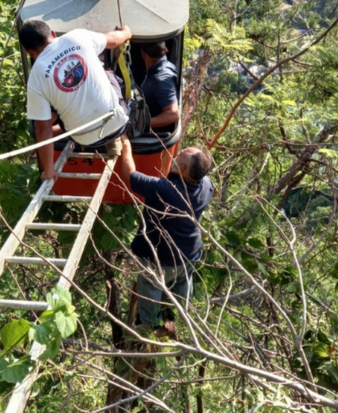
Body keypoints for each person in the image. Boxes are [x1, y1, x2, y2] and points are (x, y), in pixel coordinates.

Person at [119, 136, 214, 329]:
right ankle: (178, 316)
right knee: (182, 286)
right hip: (190, 253)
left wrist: (126, 144)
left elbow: (130, 174)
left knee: (151, 290)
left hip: (160, 258)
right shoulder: (206, 185)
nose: (176, 155)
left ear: (182, 169)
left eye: (180, 156)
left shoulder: (165, 189)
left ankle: (149, 328)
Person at [19, 20, 133, 180]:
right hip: (117, 124)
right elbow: (113, 40)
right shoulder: (76, 37)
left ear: (29, 52)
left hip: (83, 138)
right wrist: (127, 33)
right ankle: (116, 138)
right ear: (52, 33)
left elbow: (43, 129)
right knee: (106, 72)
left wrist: (49, 170)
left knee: (48, 105)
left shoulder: (35, 78)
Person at [140, 42, 179, 134]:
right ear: (165, 51)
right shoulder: (168, 66)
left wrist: (142, 123)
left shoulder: (160, 79)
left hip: (155, 137)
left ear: (142, 53)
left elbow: (173, 114)